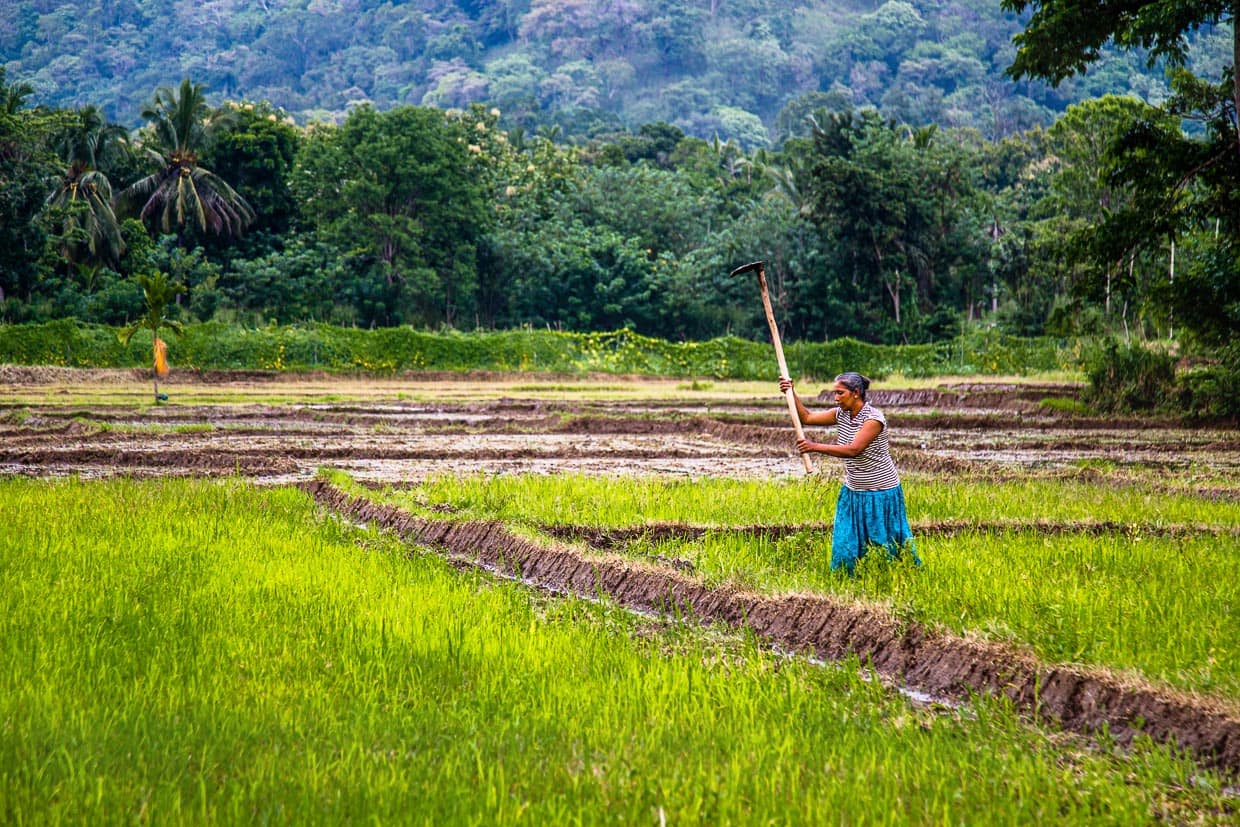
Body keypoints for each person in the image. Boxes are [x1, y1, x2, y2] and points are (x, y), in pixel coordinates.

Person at [779, 372, 918, 573]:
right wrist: (791, 392)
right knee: (846, 537)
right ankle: (847, 575)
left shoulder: (873, 420)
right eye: (835, 393)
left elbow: (854, 450)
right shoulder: (841, 414)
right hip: (853, 489)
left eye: (840, 393)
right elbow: (807, 417)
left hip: (879, 491)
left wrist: (814, 446)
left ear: (856, 393)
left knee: (882, 541)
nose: (836, 398)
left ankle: (886, 575)